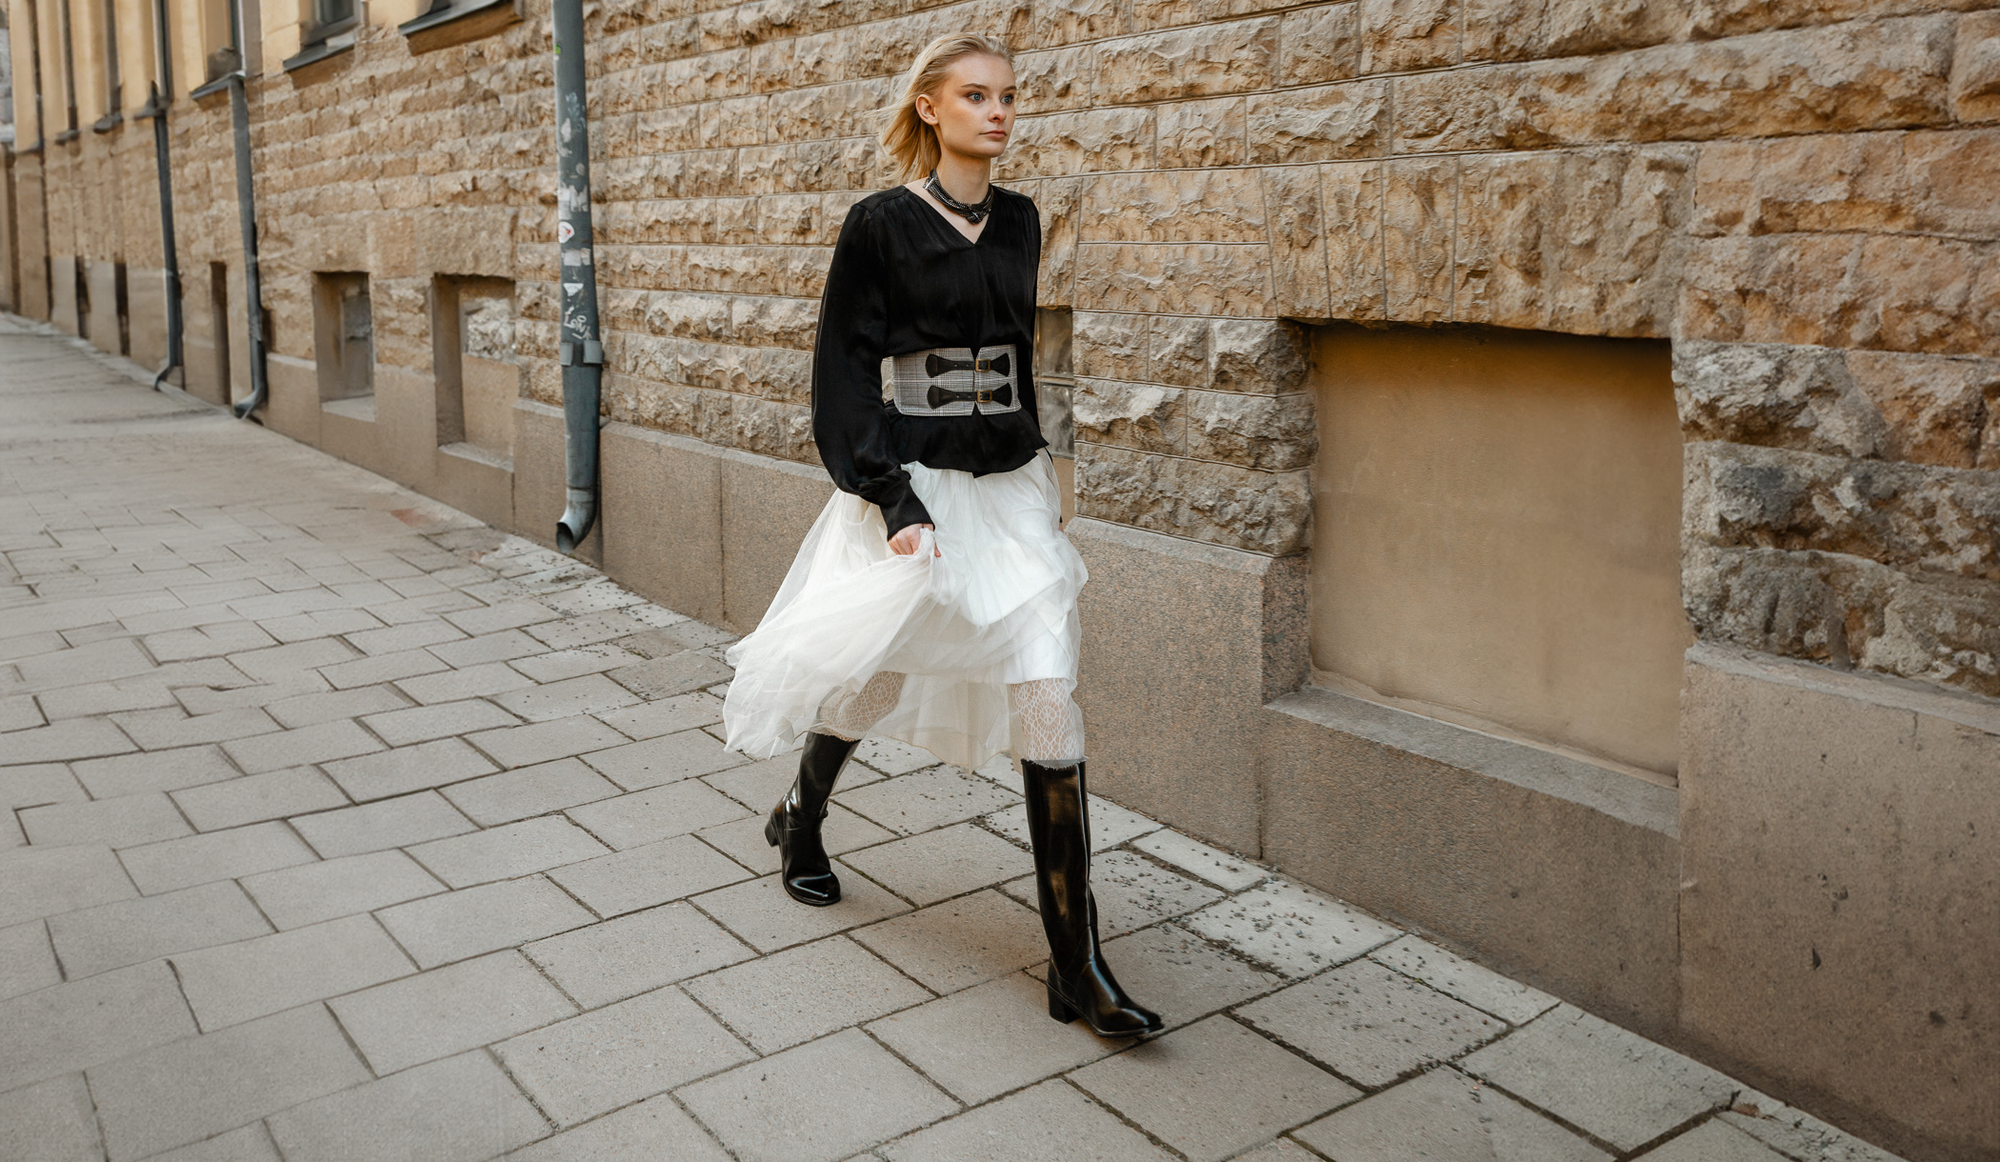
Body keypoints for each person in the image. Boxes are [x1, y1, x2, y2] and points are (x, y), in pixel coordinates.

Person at [722, 33, 1162, 1038]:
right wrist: (893, 501)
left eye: (1008, 96)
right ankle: (800, 816)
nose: (998, 112)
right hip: (914, 481)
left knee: (1048, 687)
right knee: (875, 669)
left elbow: (1017, 356)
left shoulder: (1019, 220)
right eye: (975, 96)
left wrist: (1045, 474)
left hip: (1009, 485)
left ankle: (1074, 961)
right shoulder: (877, 224)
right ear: (929, 107)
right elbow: (840, 371)